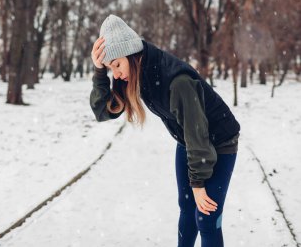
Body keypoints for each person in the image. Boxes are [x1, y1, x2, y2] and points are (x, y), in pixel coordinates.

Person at [89, 14, 240, 247]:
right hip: (189, 141)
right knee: (187, 210)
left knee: (206, 218)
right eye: (111, 69)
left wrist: (198, 184)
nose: (116, 74)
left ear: (131, 54)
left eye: (116, 65)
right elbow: (104, 112)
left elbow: (198, 133)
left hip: (220, 142)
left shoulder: (176, 80)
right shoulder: (135, 72)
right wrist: (100, 72)